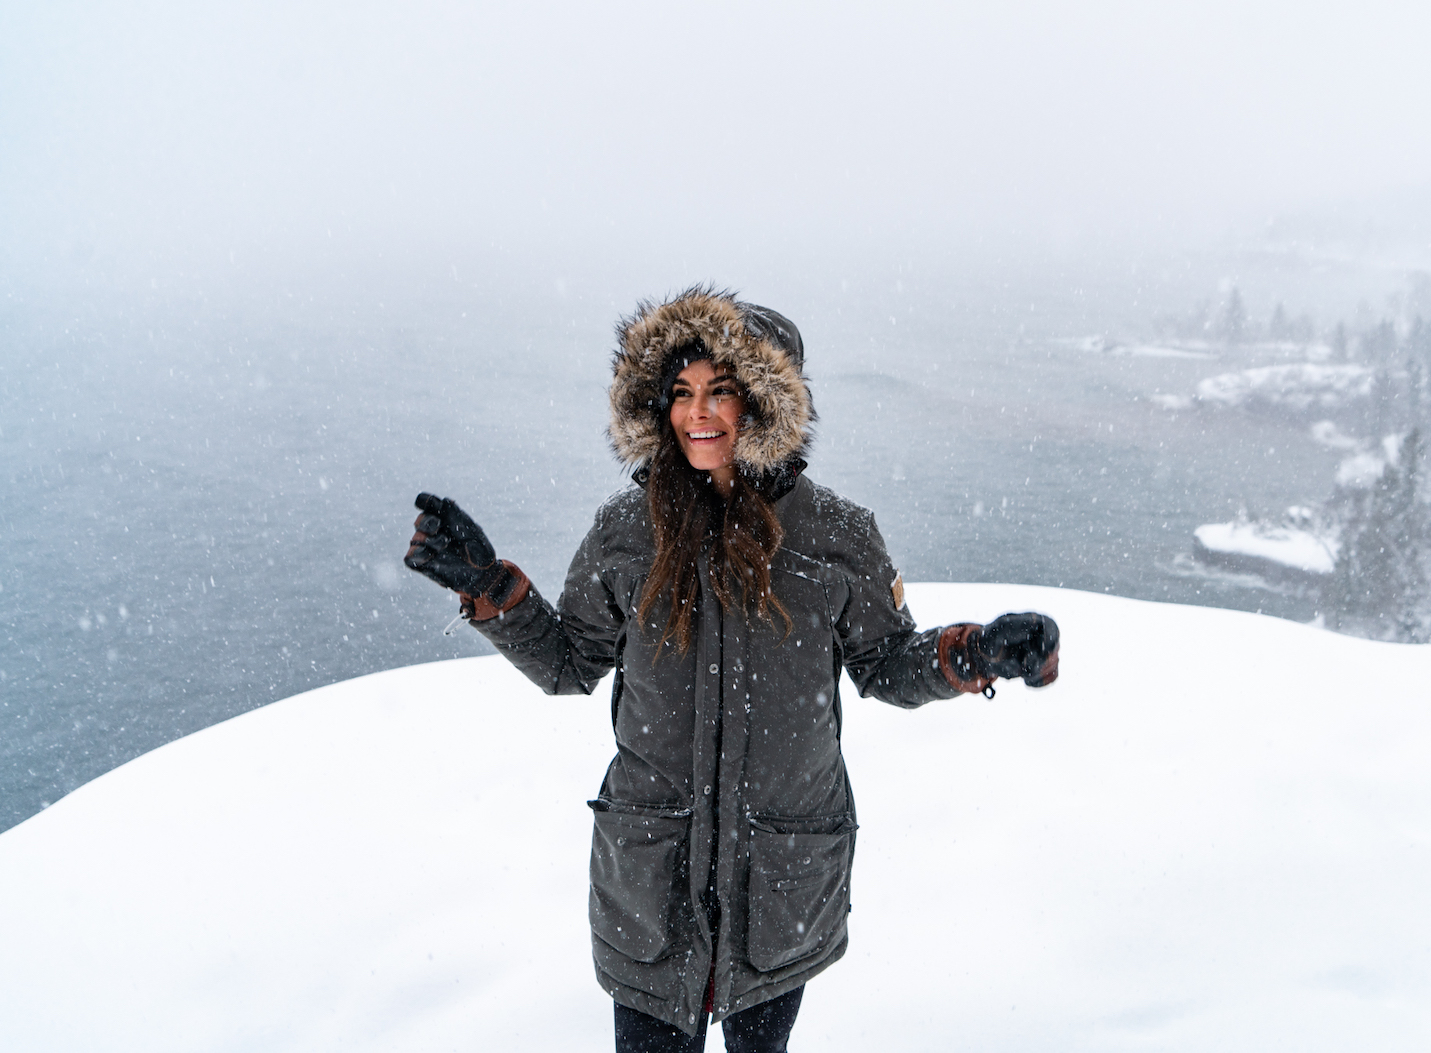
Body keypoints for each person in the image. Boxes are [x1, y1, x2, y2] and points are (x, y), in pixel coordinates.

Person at [404, 286, 1060, 1052]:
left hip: (779, 882)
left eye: (721, 389)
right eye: (681, 392)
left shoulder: (837, 534)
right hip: (653, 884)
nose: (698, 413)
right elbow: (569, 660)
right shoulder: (627, 529)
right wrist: (488, 586)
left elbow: (885, 663)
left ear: (767, 402)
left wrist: (974, 651)